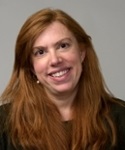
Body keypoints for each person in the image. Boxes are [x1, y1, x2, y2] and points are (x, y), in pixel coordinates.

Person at [0, 8, 125, 150]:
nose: (55, 60)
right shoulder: (4, 124)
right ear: (30, 66)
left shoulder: (120, 117)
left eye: (63, 46)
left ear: (82, 52)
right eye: (40, 52)